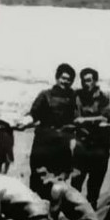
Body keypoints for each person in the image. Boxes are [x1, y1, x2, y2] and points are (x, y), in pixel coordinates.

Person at [27, 63, 77, 194]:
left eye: (69, 79)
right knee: (37, 179)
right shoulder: (45, 95)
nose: (65, 81)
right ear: (57, 78)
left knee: (57, 182)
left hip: (62, 146)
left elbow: (78, 119)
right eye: (63, 78)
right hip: (43, 144)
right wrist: (23, 122)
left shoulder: (74, 98)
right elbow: (33, 114)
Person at [72, 68, 110, 209]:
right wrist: (88, 121)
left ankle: (91, 214)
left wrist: (85, 121)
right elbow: (76, 118)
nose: (85, 84)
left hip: (100, 146)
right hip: (82, 144)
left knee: (94, 186)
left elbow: (105, 118)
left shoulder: (103, 96)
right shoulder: (77, 95)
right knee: (76, 181)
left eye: (88, 80)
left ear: (95, 81)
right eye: (83, 81)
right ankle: (74, 214)